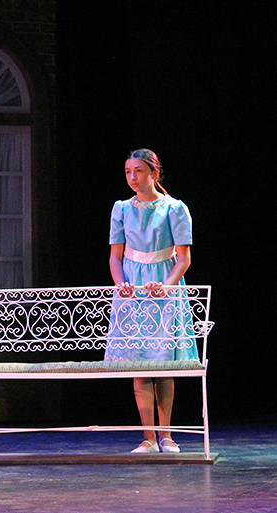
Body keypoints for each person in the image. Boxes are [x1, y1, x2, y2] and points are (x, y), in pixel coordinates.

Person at [105, 148, 197, 454]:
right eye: (128, 171)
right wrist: (122, 287)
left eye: (139, 171)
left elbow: (183, 259)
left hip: (164, 288)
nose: (133, 177)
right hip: (133, 291)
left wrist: (168, 287)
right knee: (139, 364)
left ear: (154, 174)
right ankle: (147, 437)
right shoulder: (120, 209)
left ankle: (166, 436)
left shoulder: (174, 209)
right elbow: (115, 257)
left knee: (162, 364)